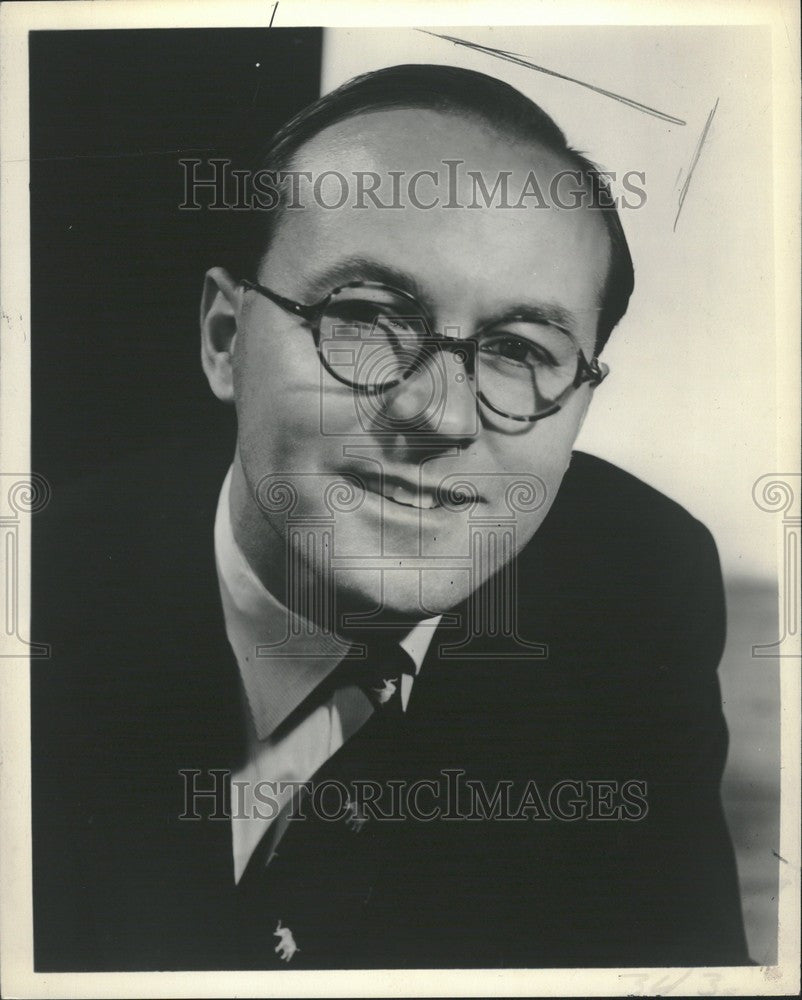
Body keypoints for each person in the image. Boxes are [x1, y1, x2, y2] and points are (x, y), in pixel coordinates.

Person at [31, 64, 750, 970]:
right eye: (366, 318)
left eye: (519, 350)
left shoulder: (639, 580)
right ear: (226, 339)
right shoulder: (39, 607)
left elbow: (673, 967)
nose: (440, 415)